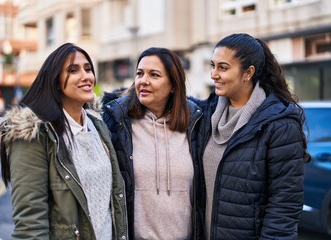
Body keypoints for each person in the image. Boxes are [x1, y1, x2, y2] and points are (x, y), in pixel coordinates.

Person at [0, 43, 128, 240]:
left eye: (88, 69)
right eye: (73, 70)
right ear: (54, 81)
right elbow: (30, 225)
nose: (86, 76)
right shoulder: (34, 136)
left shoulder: (98, 125)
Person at [191, 33, 310, 239]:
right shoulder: (206, 114)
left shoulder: (279, 124)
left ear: (248, 73)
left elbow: (284, 204)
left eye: (223, 67)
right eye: (213, 66)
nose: (213, 74)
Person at [102, 47, 204, 239]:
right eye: (140, 73)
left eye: (154, 75)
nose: (144, 81)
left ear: (173, 84)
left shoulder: (196, 124)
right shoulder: (116, 124)